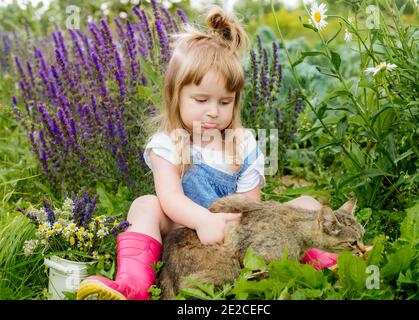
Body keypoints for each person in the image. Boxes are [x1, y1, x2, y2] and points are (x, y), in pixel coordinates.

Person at [76, 5, 334, 300]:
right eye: (201, 100)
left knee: (307, 204)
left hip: (235, 233)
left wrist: (230, 228)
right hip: (183, 229)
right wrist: (202, 220)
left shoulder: (244, 144)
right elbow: (170, 198)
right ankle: (133, 285)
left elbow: (250, 207)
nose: (213, 112)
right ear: (176, 96)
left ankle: (329, 264)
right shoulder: (168, 143)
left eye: (224, 103)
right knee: (146, 205)